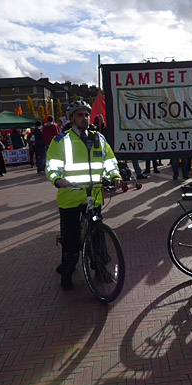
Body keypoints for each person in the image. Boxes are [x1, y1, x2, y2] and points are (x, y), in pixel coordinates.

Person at [46, 100, 122, 291]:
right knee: (71, 237)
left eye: (86, 114)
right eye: (80, 115)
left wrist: (115, 176)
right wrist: (58, 180)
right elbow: (52, 166)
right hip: (70, 195)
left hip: (94, 194)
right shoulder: (61, 140)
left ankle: (100, 267)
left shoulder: (99, 139)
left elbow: (110, 162)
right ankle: (67, 271)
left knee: (97, 233)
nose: (84, 118)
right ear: (72, 118)